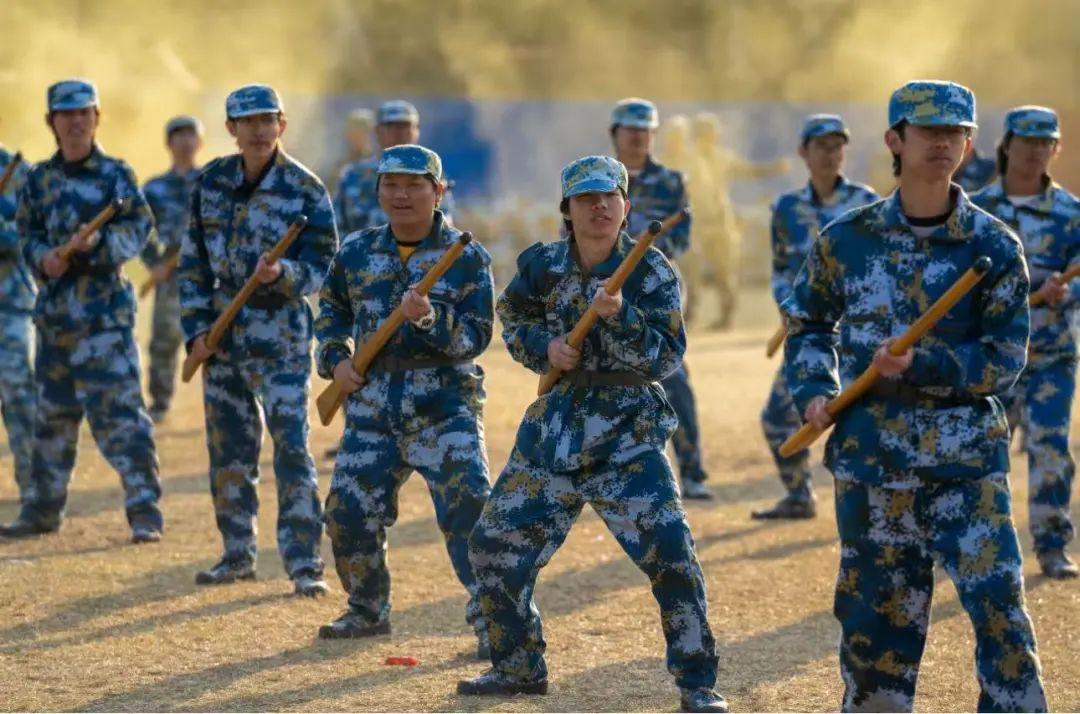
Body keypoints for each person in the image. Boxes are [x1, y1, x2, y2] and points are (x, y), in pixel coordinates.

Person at [784, 80, 1047, 711]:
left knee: (999, 612)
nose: (943, 143)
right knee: (876, 627)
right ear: (895, 140)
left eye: (956, 132)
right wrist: (815, 389)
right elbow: (808, 323)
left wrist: (922, 362)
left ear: (970, 145)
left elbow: (1005, 360)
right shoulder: (847, 239)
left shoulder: (991, 247)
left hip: (966, 464)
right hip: (873, 462)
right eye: (929, 131)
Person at [459, 155, 728, 713]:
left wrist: (620, 316)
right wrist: (546, 348)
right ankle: (517, 666)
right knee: (491, 544)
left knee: (672, 553)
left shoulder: (650, 271)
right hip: (555, 429)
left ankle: (697, 683)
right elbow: (515, 317)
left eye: (609, 197)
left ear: (626, 206)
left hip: (628, 434)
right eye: (586, 198)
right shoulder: (542, 264)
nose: (599, 206)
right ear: (568, 210)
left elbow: (666, 358)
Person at [314, 144, 494, 657]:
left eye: (415, 185)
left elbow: (477, 336)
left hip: (446, 410)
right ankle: (366, 610)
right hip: (372, 410)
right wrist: (335, 360)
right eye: (391, 185)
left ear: (438, 192)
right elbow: (330, 312)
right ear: (378, 192)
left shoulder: (466, 257)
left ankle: (495, 621)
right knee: (347, 513)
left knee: (469, 512)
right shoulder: (355, 251)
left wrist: (429, 319)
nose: (402, 195)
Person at [180, 84, 337, 596]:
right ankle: (236, 553)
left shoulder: (305, 189)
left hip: (282, 337)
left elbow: (324, 264)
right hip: (223, 336)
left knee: (291, 448)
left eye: (267, 120)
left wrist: (283, 275)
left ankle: (304, 563)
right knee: (229, 450)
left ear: (281, 125)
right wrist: (196, 331)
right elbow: (192, 264)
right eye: (247, 121)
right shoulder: (210, 183)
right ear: (231, 129)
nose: (258, 130)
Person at [1, 79, 163, 542]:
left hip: (104, 321)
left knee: (122, 419)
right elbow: (27, 234)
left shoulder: (116, 174)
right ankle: (42, 509)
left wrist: (100, 245)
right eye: (66, 114)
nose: (76, 121)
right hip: (54, 320)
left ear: (96, 118)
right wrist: (43, 259)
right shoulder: (38, 180)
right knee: (51, 422)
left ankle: (145, 512)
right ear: (51, 122)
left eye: (84, 113)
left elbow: (139, 228)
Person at [972, 105, 1080, 579]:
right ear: (1007, 145)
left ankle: (1052, 545)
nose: (1036, 150)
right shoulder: (976, 209)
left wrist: (1067, 289)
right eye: (1027, 140)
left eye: (1045, 142)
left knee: (1051, 450)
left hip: (1052, 353)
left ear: (1056, 149)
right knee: (982, 452)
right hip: (992, 353)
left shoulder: (1071, 213)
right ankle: (977, 544)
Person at [755, 114, 878, 520]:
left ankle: (873, 508)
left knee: (865, 423)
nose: (831, 154)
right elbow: (779, 268)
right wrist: (786, 304)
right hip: (808, 333)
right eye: (822, 146)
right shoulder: (787, 208)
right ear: (803, 152)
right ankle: (799, 495)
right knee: (778, 418)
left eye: (837, 146)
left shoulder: (866, 204)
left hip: (858, 335)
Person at [612, 98, 712, 500]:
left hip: (657, 290)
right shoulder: (598, 179)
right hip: (604, 290)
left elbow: (682, 237)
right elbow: (571, 233)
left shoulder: (672, 182)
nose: (638, 138)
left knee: (672, 375)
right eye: (630, 130)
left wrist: (646, 253)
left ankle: (693, 472)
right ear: (615, 134)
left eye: (645, 131)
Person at [140, 115, 203, 423]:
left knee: (216, 340)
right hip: (170, 276)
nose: (185, 142)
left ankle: (224, 404)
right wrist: (154, 263)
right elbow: (139, 229)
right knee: (163, 341)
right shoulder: (154, 188)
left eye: (191, 135)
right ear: (169, 143)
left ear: (199, 142)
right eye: (179, 135)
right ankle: (160, 401)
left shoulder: (211, 182)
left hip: (207, 276)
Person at [0, 138, 33, 522]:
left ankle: (34, 492)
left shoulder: (17, 172)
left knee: (19, 397)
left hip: (9, 306)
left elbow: (31, 231)